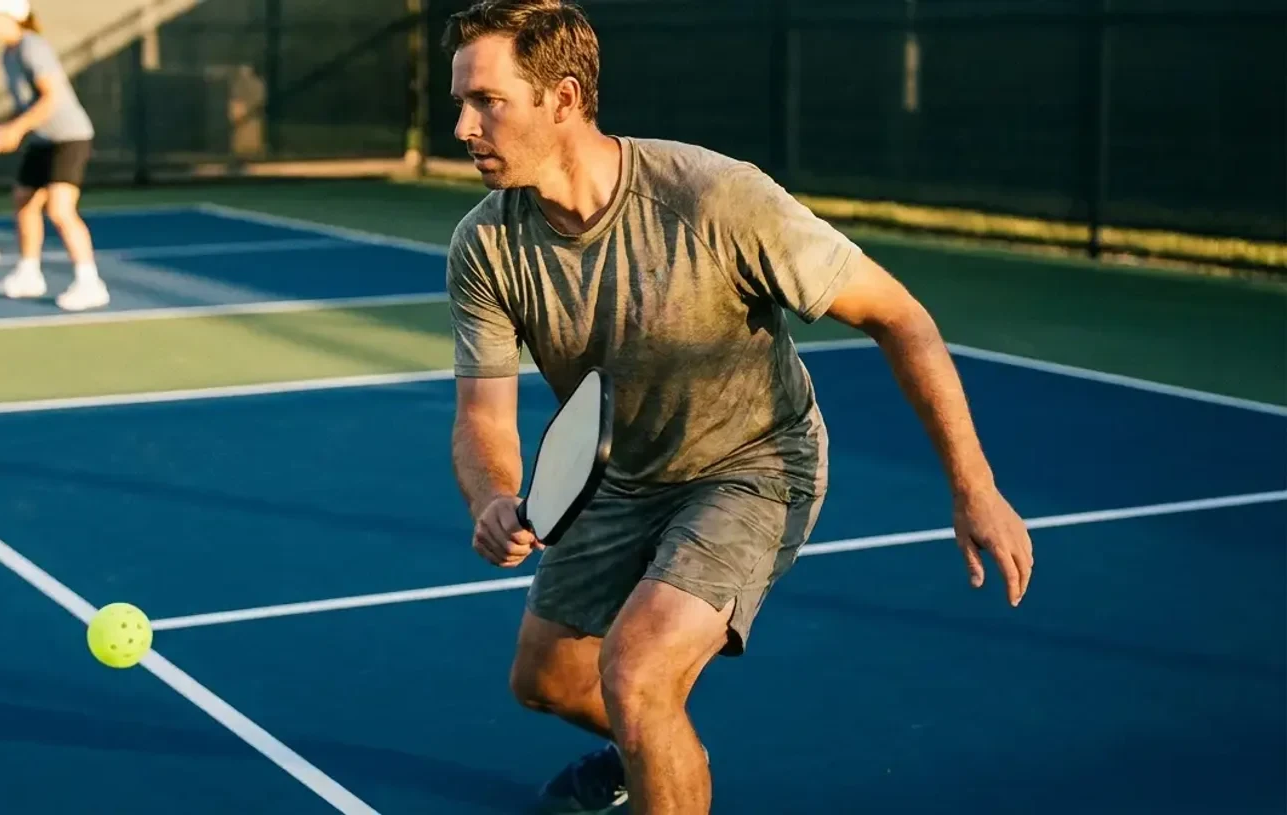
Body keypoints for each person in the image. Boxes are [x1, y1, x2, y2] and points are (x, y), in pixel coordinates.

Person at [439, 2, 1036, 813]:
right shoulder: (486, 246)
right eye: (460, 104)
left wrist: (973, 484)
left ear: (565, 97)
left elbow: (900, 317)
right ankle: (653, 751)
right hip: (624, 475)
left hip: (753, 464)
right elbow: (483, 418)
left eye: (487, 102)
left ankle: (653, 738)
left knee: (638, 673)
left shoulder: (714, 200)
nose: (465, 127)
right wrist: (493, 497)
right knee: (545, 682)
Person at [0, 0, 109, 311]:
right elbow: (27, 105)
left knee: (60, 209)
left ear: (11, 16)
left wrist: (17, 130)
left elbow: (52, 98)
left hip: (69, 137)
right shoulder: (7, 54)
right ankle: (28, 274)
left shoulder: (32, 46)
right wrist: (7, 128)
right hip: (43, 139)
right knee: (24, 200)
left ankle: (90, 283)